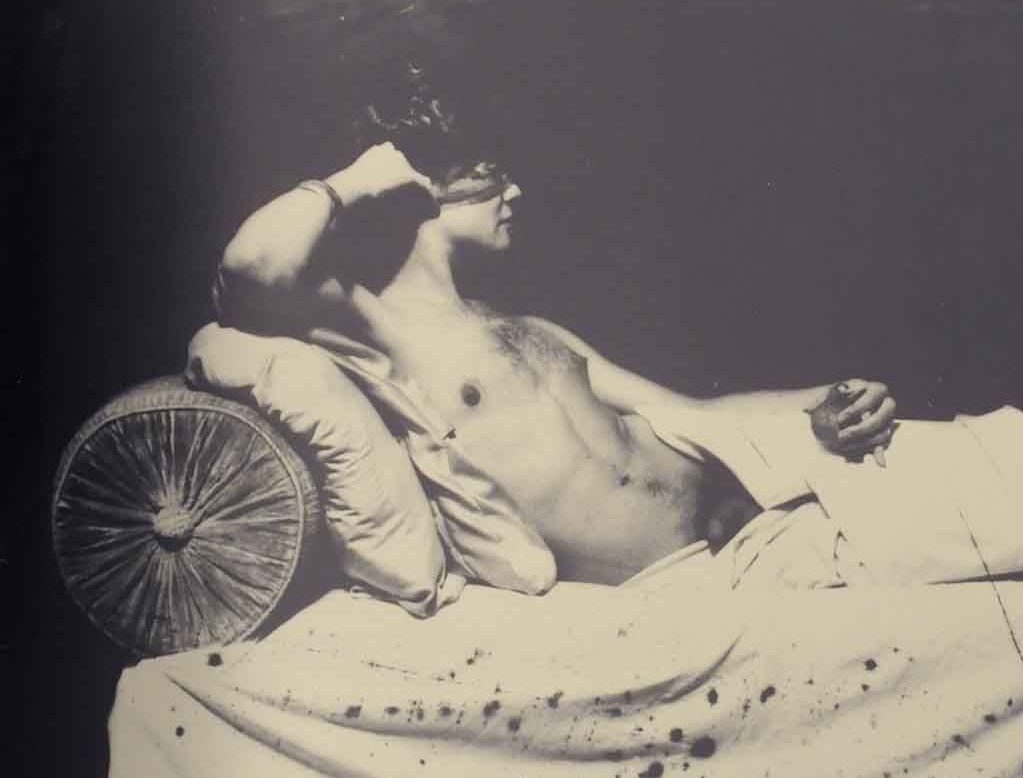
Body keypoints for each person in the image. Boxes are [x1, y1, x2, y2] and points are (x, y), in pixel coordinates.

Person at [216, 121, 896, 586]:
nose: (514, 193)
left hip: (754, 530)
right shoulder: (374, 322)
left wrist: (822, 398)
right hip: (670, 578)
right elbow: (250, 269)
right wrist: (354, 180)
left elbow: (689, 412)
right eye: (492, 177)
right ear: (421, 192)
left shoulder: (529, 328)